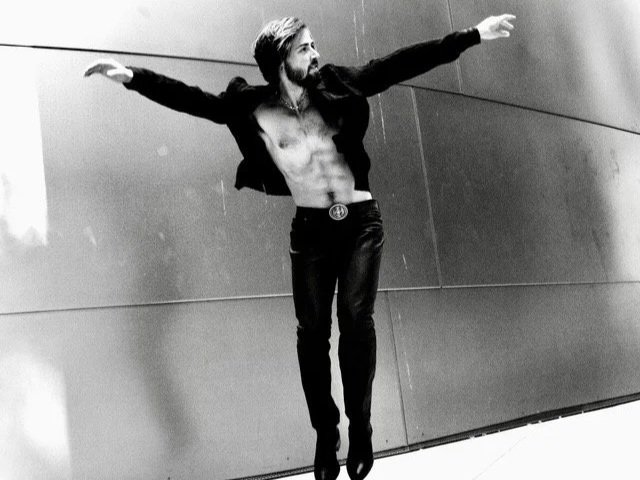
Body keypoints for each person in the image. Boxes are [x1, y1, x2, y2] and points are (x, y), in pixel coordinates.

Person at [84, 13, 515, 480]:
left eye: (312, 45)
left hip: (360, 224)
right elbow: (194, 100)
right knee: (311, 334)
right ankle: (326, 434)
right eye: (305, 48)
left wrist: (472, 35)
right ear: (280, 59)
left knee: (356, 319)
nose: (315, 54)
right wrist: (133, 77)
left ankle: (361, 425)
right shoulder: (252, 107)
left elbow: (399, 64)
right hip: (310, 231)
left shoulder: (339, 84)